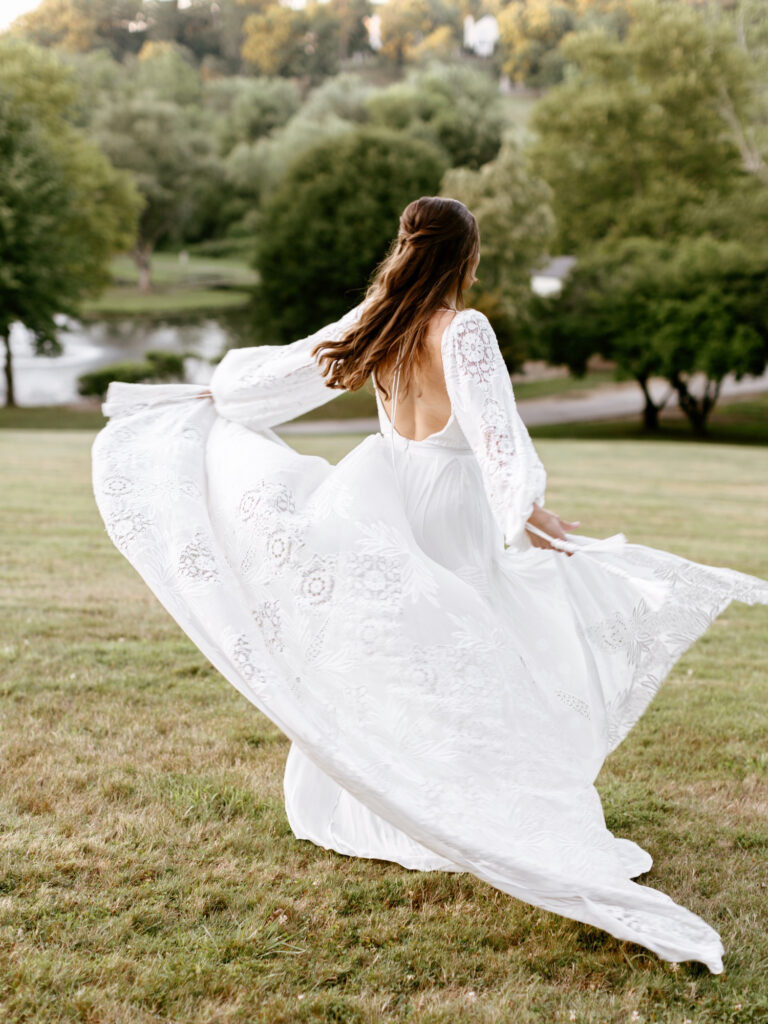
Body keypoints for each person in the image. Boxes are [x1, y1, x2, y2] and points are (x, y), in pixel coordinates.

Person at [92, 195, 768, 973]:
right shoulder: (463, 329)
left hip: (388, 496)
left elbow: (270, 383)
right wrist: (525, 508)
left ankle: (393, 800)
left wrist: (213, 399)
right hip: (450, 506)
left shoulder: (378, 320)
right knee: (481, 654)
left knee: (404, 654)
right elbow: (494, 436)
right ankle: (474, 803)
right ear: (468, 260)